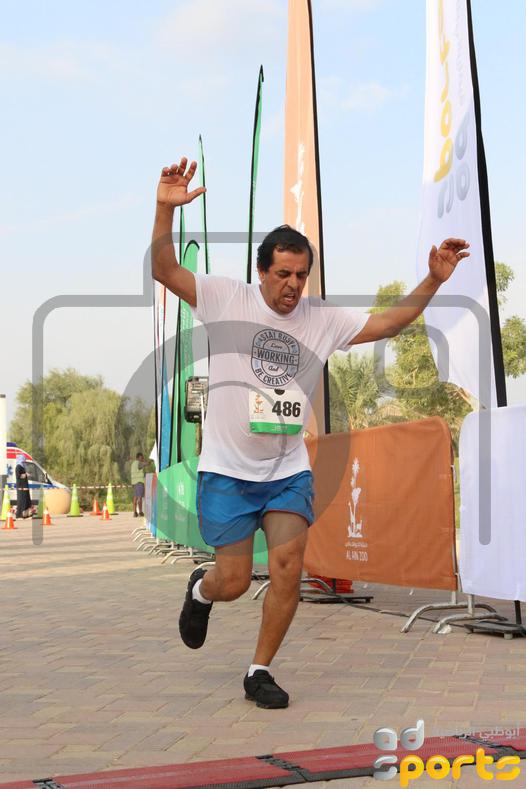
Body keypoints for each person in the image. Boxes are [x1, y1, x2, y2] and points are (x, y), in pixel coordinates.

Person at [151, 157, 469, 709]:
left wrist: (433, 280)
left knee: (287, 568)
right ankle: (202, 590)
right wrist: (163, 210)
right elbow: (164, 269)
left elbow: (390, 323)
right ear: (261, 272)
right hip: (227, 470)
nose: (293, 286)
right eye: (283, 274)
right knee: (233, 581)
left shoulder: (321, 319)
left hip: (285, 471)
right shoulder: (227, 299)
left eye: (301, 275)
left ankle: (259, 671)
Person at [15, 454, 33, 519]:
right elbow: (18, 476)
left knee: (26, 500)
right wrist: (25, 475)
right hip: (21, 487)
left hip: (25, 486)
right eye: (23, 460)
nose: (24, 461)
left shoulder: (22, 467)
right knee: (21, 501)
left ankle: (26, 515)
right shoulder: (18, 467)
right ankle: (19, 515)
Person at [131, 452, 148, 517]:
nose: (142, 458)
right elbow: (146, 464)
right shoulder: (138, 463)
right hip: (139, 482)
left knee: (135, 497)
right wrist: (145, 462)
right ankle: (140, 512)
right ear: (138, 458)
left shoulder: (133, 464)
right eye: (141, 457)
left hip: (134, 482)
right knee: (139, 498)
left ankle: (135, 512)